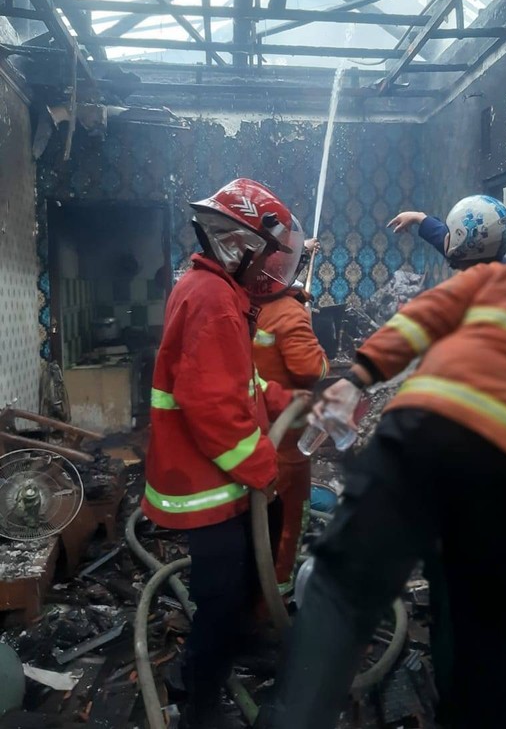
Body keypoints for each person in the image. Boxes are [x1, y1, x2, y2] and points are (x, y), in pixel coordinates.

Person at [257, 236, 506, 729]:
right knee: (488, 621)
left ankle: (294, 719)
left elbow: (419, 319)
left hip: (417, 439)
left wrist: (360, 374)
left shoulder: (492, 278)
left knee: (342, 588)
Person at [141, 178, 307, 729]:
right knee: (218, 596)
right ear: (241, 245)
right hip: (207, 482)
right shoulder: (213, 300)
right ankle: (201, 702)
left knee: (239, 582)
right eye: (268, 253)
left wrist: (292, 401)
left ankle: (236, 645)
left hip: (216, 473)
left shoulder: (217, 292)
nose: (272, 268)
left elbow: (242, 386)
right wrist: (263, 470)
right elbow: (210, 404)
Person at [252, 237, 330, 596]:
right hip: (288, 443)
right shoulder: (289, 313)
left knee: (256, 517)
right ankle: (277, 595)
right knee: (288, 521)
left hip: (253, 434)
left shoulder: (250, 304)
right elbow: (311, 369)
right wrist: (306, 323)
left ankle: (253, 588)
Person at [388, 194, 506, 267]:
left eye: (450, 233)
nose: (446, 236)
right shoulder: (486, 255)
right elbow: (453, 242)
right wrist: (418, 217)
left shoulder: (473, 291)